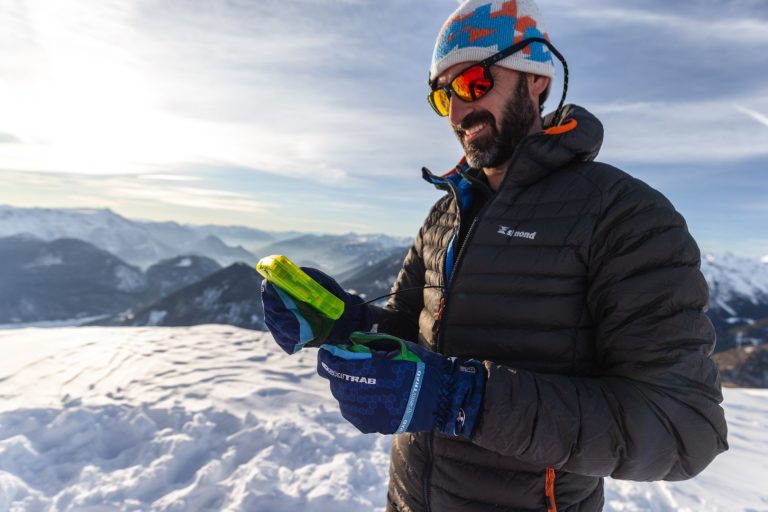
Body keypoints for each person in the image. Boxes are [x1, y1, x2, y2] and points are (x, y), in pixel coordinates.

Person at [261, 0, 729, 510]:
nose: (459, 112)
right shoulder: (446, 214)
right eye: (443, 97)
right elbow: (408, 330)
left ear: (536, 78)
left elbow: (684, 427)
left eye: (473, 83)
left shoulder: (624, 215)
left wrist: (463, 400)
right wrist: (342, 322)